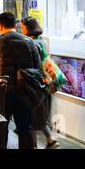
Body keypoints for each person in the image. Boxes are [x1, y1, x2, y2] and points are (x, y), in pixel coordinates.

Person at [0, 12, 41, 149]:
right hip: (25, 92)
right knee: (25, 129)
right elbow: (37, 68)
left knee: (1, 127)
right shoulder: (30, 42)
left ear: (0, 25)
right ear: (15, 25)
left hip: (3, 92)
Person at [21, 16, 60, 149]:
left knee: (33, 115)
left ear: (28, 28)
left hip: (37, 82)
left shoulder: (32, 43)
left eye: (22, 27)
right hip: (45, 81)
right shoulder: (41, 41)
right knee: (39, 114)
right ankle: (50, 140)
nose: (21, 30)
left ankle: (38, 145)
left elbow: (32, 64)